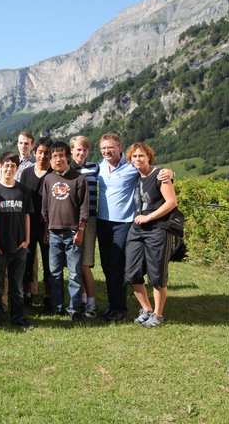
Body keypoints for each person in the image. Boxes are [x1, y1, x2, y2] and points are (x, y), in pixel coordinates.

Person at [96, 133, 173, 322]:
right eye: (104, 148)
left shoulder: (131, 166)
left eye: (110, 147)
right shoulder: (99, 166)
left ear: (119, 147)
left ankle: (120, 308)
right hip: (103, 222)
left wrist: (171, 173)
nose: (107, 151)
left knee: (118, 266)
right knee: (107, 266)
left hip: (124, 223)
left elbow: (153, 171)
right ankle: (113, 305)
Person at [124, 143, 177, 328]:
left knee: (156, 275)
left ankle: (158, 314)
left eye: (141, 156)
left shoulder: (160, 175)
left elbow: (171, 202)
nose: (137, 159)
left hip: (158, 229)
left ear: (149, 157)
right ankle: (146, 310)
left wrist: (149, 217)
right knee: (132, 273)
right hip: (137, 230)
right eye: (134, 157)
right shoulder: (137, 178)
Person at [0, 153, 33, 329]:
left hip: (19, 246)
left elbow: (26, 216)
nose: (9, 169)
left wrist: (27, 240)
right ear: (0, 167)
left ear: (17, 168)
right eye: (6, 165)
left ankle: (18, 318)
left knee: (17, 287)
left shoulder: (23, 190)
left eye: (13, 166)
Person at [42, 142, 89, 321]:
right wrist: (46, 229)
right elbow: (44, 207)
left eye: (61, 156)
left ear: (68, 157)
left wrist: (81, 229)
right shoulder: (48, 179)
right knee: (54, 272)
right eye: (54, 157)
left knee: (75, 273)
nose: (58, 159)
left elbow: (84, 208)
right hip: (53, 232)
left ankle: (74, 308)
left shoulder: (78, 179)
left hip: (72, 232)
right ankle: (58, 306)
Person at [19, 136, 53, 310]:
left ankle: (49, 296)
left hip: (48, 225)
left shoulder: (54, 174)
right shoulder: (26, 173)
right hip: (29, 224)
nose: (43, 156)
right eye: (40, 152)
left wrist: (48, 228)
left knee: (49, 262)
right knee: (27, 260)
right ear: (35, 153)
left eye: (47, 153)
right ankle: (26, 294)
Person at [70, 135, 100, 317]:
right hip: (70, 221)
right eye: (78, 149)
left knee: (85, 264)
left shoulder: (96, 168)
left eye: (84, 150)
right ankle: (80, 299)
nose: (81, 153)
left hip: (89, 220)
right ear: (71, 150)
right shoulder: (65, 169)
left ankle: (91, 302)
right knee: (74, 263)